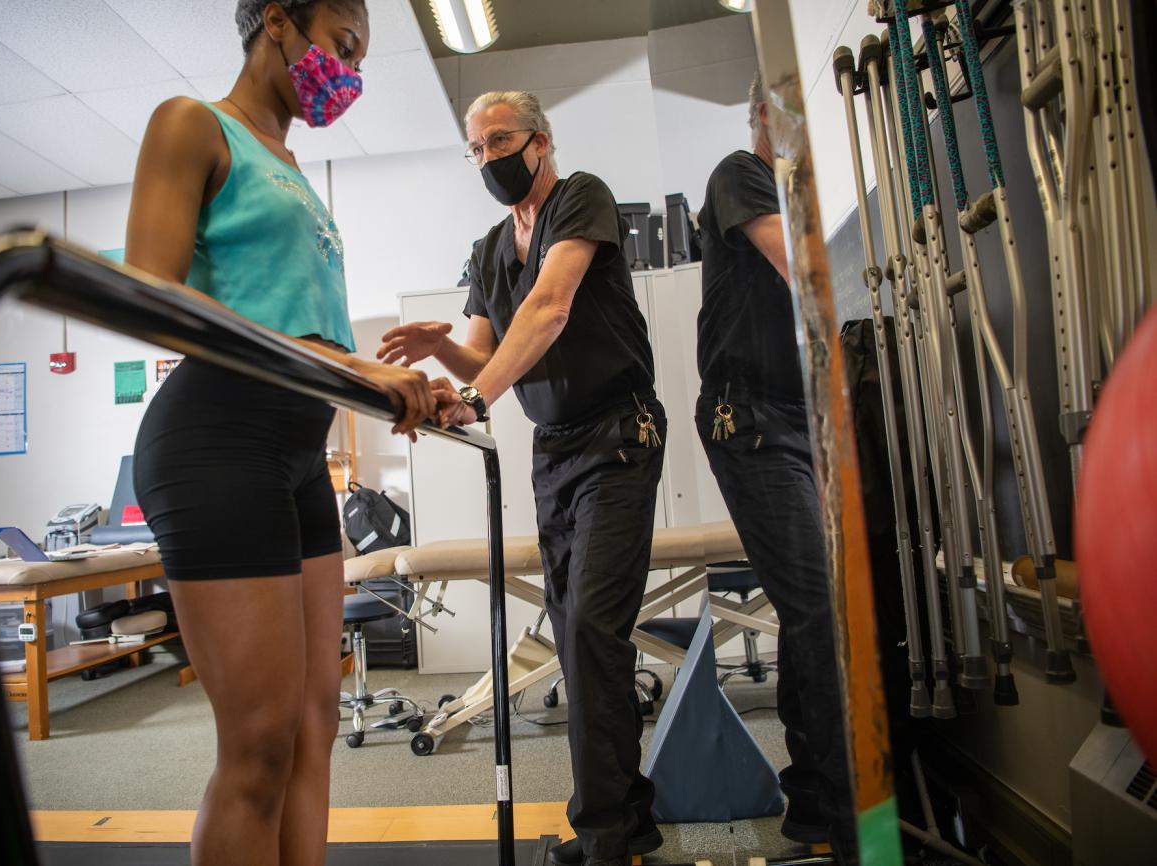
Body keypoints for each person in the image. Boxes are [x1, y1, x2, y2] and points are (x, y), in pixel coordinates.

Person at [126, 3, 444, 865]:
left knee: (314, 727)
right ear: (277, 20)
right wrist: (353, 369)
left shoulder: (295, 168)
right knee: (260, 742)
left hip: (299, 453)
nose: (348, 73)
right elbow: (150, 296)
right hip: (215, 440)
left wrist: (401, 395)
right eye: (341, 47)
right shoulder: (193, 125)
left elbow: (314, 337)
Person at [378, 91, 665, 866]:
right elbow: (484, 354)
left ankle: (604, 837)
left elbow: (548, 309)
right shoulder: (486, 250)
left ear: (539, 140)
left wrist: (474, 397)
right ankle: (628, 820)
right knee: (582, 649)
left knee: (590, 631)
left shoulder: (582, 199)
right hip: (556, 452)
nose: (486, 158)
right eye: (473, 149)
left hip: (617, 435)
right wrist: (444, 359)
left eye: (497, 140)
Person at [693, 74, 857, 863]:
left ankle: (816, 804)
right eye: (786, 112)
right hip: (747, 417)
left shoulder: (791, 194)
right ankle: (842, 809)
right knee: (819, 606)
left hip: (794, 419)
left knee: (812, 605)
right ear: (761, 116)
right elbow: (799, 269)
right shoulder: (741, 172)